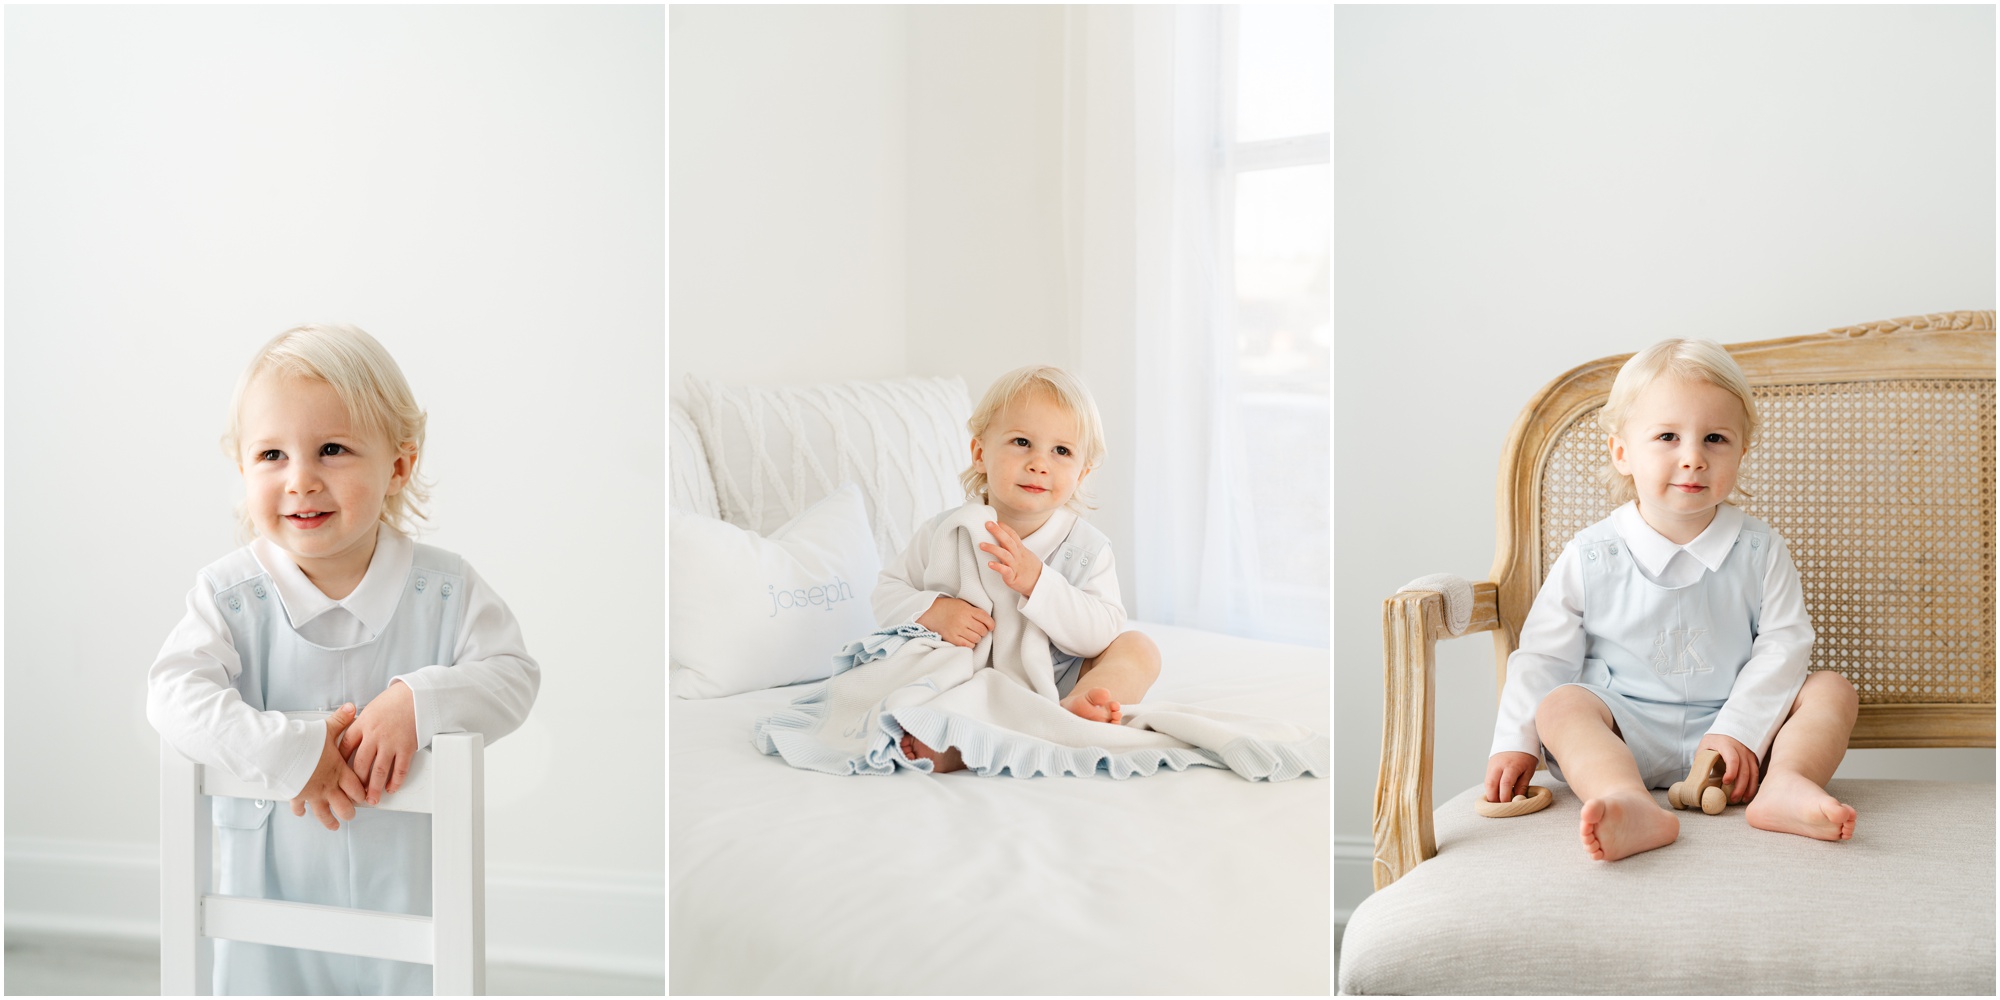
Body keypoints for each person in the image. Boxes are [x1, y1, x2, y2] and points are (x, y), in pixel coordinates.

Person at [147, 324, 540, 993]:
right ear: (242, 467)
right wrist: (290, 751)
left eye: (332, 450)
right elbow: (172, 696)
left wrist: (420, 702)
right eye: (271, 454)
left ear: (398, 465)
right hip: (265, 927)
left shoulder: (444, 591)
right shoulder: (228, 597)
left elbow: (513, 677)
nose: (300, 480)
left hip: (407, 920)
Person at [1485, 338, 1858, 861]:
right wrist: (1515, 740)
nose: (1693, 459)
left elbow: (1784, 646)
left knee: (1831, 689)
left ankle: (1785, 786)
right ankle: (1625, 799)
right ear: (1622, 453)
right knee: (1561, 704)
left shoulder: (1760, 551)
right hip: (1627, 728)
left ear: (1743, 449)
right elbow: (1545, 656)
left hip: (1741, 743)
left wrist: (1739, 730)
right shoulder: (1592, 555)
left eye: (1715, 438)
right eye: (1667, 437)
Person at [875, 364, 1160, 773]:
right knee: (914, 673)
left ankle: (1074, 716)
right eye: (1022, 442)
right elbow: (886, 592)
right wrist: (933, 610)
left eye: (1061, 451)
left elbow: (1100, 632)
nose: (1039, 463)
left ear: (1081, 473)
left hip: (1058, 681)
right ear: (980, 454)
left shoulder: (1086, 549)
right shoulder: (947, 532)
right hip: (969, 676)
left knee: (1139, 648)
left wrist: (1039, 583)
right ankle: (954, 743)